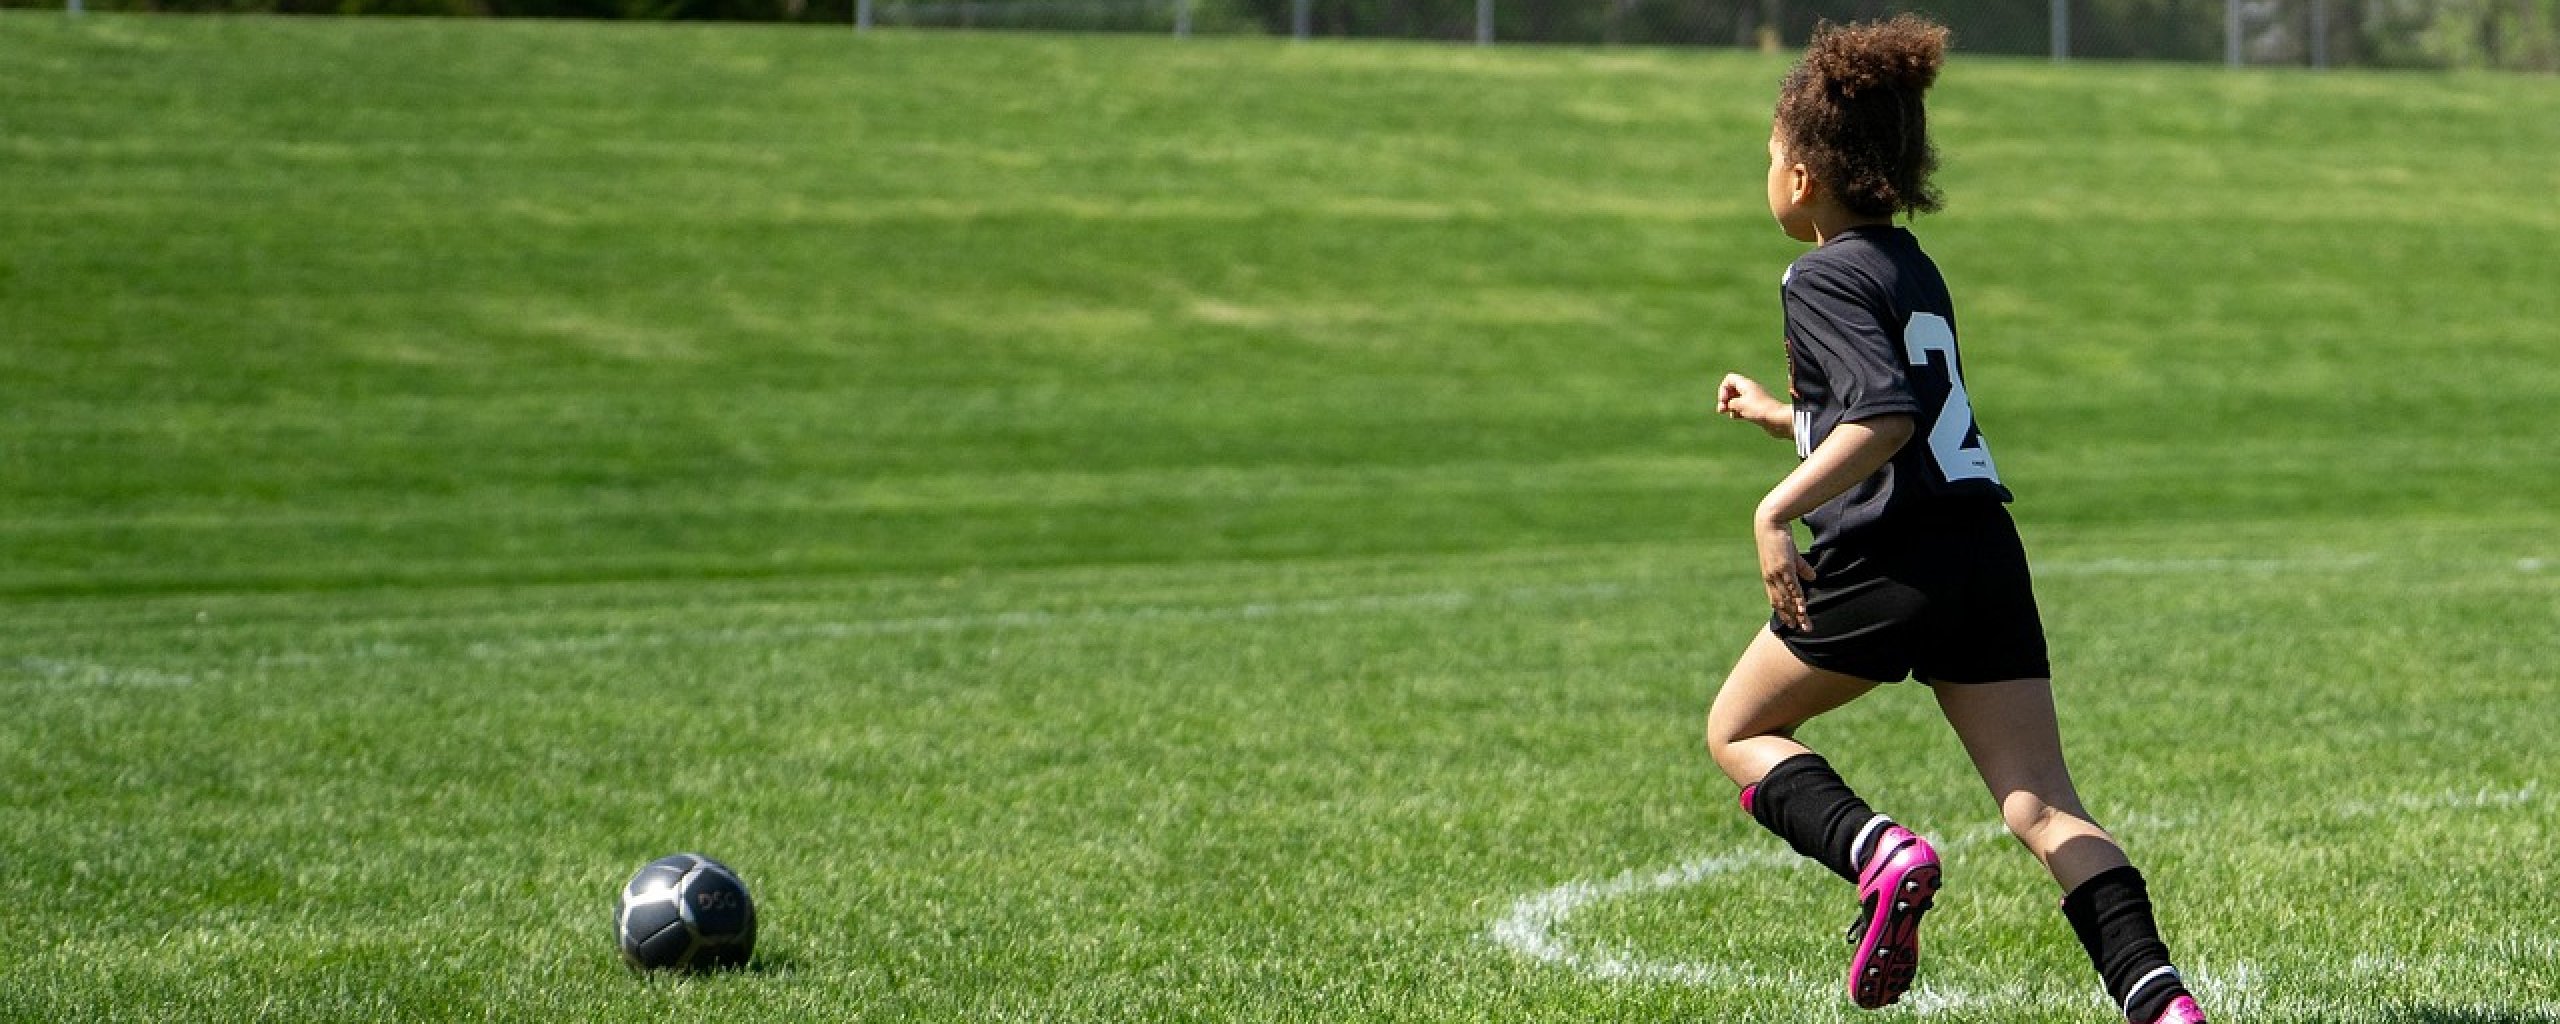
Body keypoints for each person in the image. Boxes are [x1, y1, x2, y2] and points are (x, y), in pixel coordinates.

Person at [1704, 15, 2208, 1024]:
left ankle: (1878, 852)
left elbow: (1884, 418)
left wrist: (1775, 511)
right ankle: (2164, 1008)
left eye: (1768, 157)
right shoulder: (1907, 265)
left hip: (1893, 555)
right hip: (1981, 546)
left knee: (1739, 728)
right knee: (2040, 803)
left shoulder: (1816, 273)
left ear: (1801, 178)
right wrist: (1786, 418)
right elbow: (1895, 413)